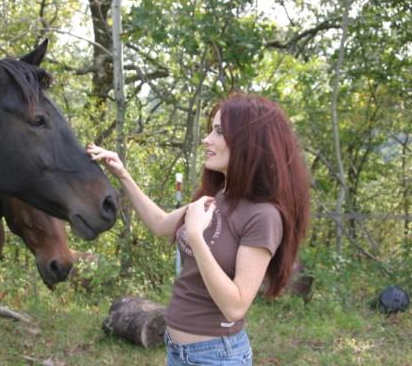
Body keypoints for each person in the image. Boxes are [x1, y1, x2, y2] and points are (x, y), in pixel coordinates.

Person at [87, 92, 310, 365]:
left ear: (249, 142)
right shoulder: (218, 197)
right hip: (178, 350)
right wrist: (123, 174)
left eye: (218, 132)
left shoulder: (263, 215)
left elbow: (235, 306)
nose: (207, 139)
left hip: (216, 356)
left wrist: (196, 238)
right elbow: (159, 224)